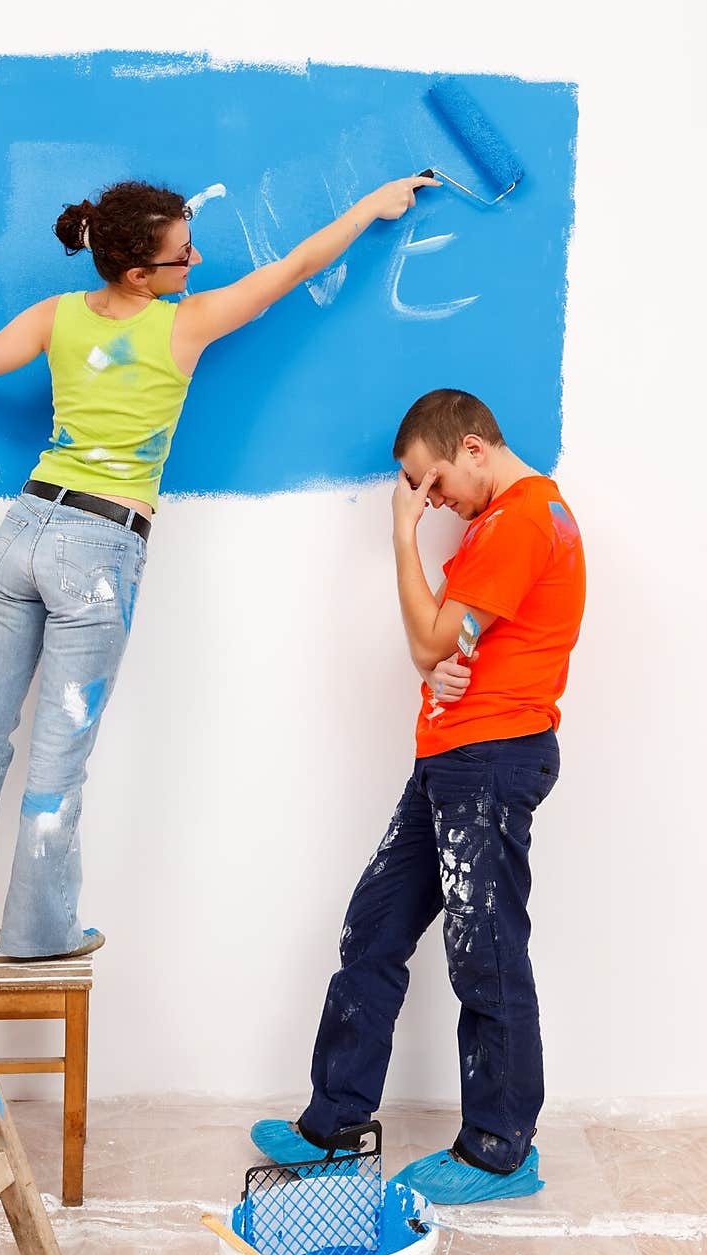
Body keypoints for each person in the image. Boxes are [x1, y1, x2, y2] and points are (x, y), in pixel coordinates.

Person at [0, 173, 439, 960]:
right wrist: (372, 208)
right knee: (59, 751)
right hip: (95, 552)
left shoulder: (57, 316)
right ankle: (38, 932)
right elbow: (299, 266)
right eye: (182, 255)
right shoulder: (184, 326)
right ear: (140, 274)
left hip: (21, 533)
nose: (195, 262)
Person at [251, 388, 585, 1203]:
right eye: (417, 496)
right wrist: (435, 653)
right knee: (373, 929)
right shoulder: (495, 528)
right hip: (451, 759)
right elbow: (438, 648)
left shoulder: (522, 520)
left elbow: (434, 637)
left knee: (487, 952)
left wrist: (402, 541)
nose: (429, 501)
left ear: (473, 447)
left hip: (490, 760)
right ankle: (334, 1124)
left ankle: (499, 1151)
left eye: (429, 483)